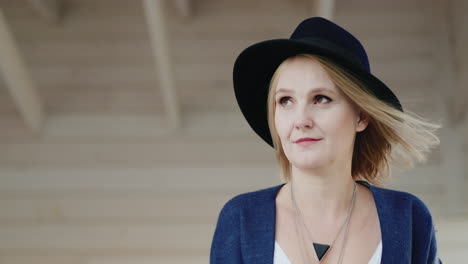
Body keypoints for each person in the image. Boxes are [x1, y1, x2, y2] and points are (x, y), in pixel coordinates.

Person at [210, 17, 442, 264]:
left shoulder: (408, 219)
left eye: (321, 98)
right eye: (285, 100)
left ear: (361, 115)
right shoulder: (241, 220)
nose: (301, 120)